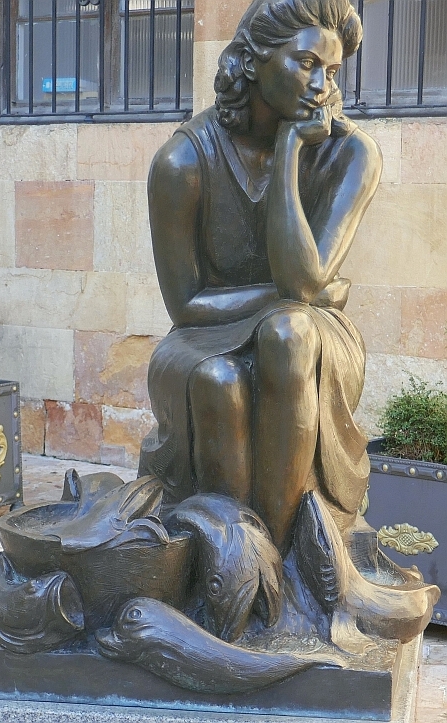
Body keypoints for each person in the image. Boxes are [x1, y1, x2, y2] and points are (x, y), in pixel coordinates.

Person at [139, 0, 382, 555]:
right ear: (252, 61)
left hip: (313, 339)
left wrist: (291, 150)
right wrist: (299, 294)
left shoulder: (351, 154)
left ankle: (284, 557)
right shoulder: (182, 162)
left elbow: (302, 284)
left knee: (288, 332)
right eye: (306, 64)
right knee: (219, 380)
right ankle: (230, 554)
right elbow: (186, 306)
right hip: (203, 335)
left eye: (332, 72)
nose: (322, 86)